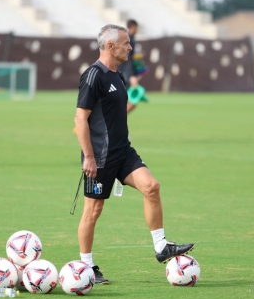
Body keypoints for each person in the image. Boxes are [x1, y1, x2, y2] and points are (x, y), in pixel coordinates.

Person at [74, 24, 194, 284]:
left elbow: (112, 113)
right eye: (126, 43)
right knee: (93, 211)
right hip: (101, 157)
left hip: (123, 151)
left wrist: (133, 104)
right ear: (110, 46)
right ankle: (86, 268)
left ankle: (161, 246)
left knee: (151, 187)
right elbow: (80, 119)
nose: (130, 47)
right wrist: (89, 158)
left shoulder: (117, 76)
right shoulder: (93, 76)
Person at [118, 19, 148, 113]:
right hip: (126, 74)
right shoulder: (129, 39)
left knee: (127, 101)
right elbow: (128, 59)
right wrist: (131, 75)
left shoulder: (126, 38)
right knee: (131, 100)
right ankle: (115, 121)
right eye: (136, 28)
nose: (137, 30)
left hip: (124, 73)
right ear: (133, 27)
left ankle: (115, 121)